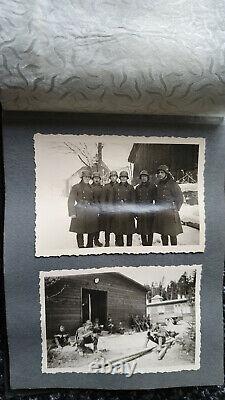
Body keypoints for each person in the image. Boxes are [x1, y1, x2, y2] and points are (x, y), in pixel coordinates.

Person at [154, 165, 184, 246]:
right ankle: (165, 250)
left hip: (171, 213)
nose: (160, 174)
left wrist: (176, 208)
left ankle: (174, 251)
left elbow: (180, 197)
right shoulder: (159, 184)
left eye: (162, 172)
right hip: (161, 213)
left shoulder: (172, 184)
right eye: (159, 173)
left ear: (166, 173)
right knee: (163, 234)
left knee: (172, 234)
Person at [68, 170, 98, 248]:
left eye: (88, 177)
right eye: (85, 177)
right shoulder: (76, 187)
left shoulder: (92, 188)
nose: (87, 179)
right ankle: (81, 245)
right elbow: (71, 200)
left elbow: (95, 200)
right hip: (79, 210)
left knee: (91, 229)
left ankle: (90, 244)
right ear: (82, 177)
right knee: (79, 229)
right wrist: (72, 212)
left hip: (90, 211)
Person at [112, 171, 135, 247]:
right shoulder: (115, 187)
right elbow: (113, 200)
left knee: (129, 230)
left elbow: (133, 200)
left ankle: (129, 245)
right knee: (119, 229)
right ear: (120, 178)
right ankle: (120, 244)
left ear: (127, 178)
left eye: (125, 177)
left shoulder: (131, 187)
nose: (123, 179)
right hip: (118, 212)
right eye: (122, 177)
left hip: (128, 212)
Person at [135, 170, 156, 246]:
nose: (144, 178)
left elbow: (155, 198)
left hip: (150, 210)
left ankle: (150, 244)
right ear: (140, 178)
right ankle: (144, 243)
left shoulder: (152, 186)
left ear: (148, 177)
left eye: (145, 176)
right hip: (141, 211)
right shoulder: (138, 188)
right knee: (142, 228)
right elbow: (136, 201)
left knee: (150, 228)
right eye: (142, 177)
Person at [102, 170, 119, 247]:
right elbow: (103, 199)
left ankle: (117, 241)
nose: (113, 178)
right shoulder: (106, 187)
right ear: (110, 178)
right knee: (107, 227)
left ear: (117, 177)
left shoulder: (119, 186)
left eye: (115, 176)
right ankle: (107, 241)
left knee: (117, 226)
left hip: (116, 210)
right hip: (108, 210)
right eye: (112, 176)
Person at [91, 171, 103, 247]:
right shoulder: (90, 187)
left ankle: (96, 240)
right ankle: (91, 240)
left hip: (101, 209)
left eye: (98, 178)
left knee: (98, 226)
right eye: (95, 178)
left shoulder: (102, 188)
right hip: (92, 209)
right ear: (92, 179)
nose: (96, 180)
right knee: (92, 225)